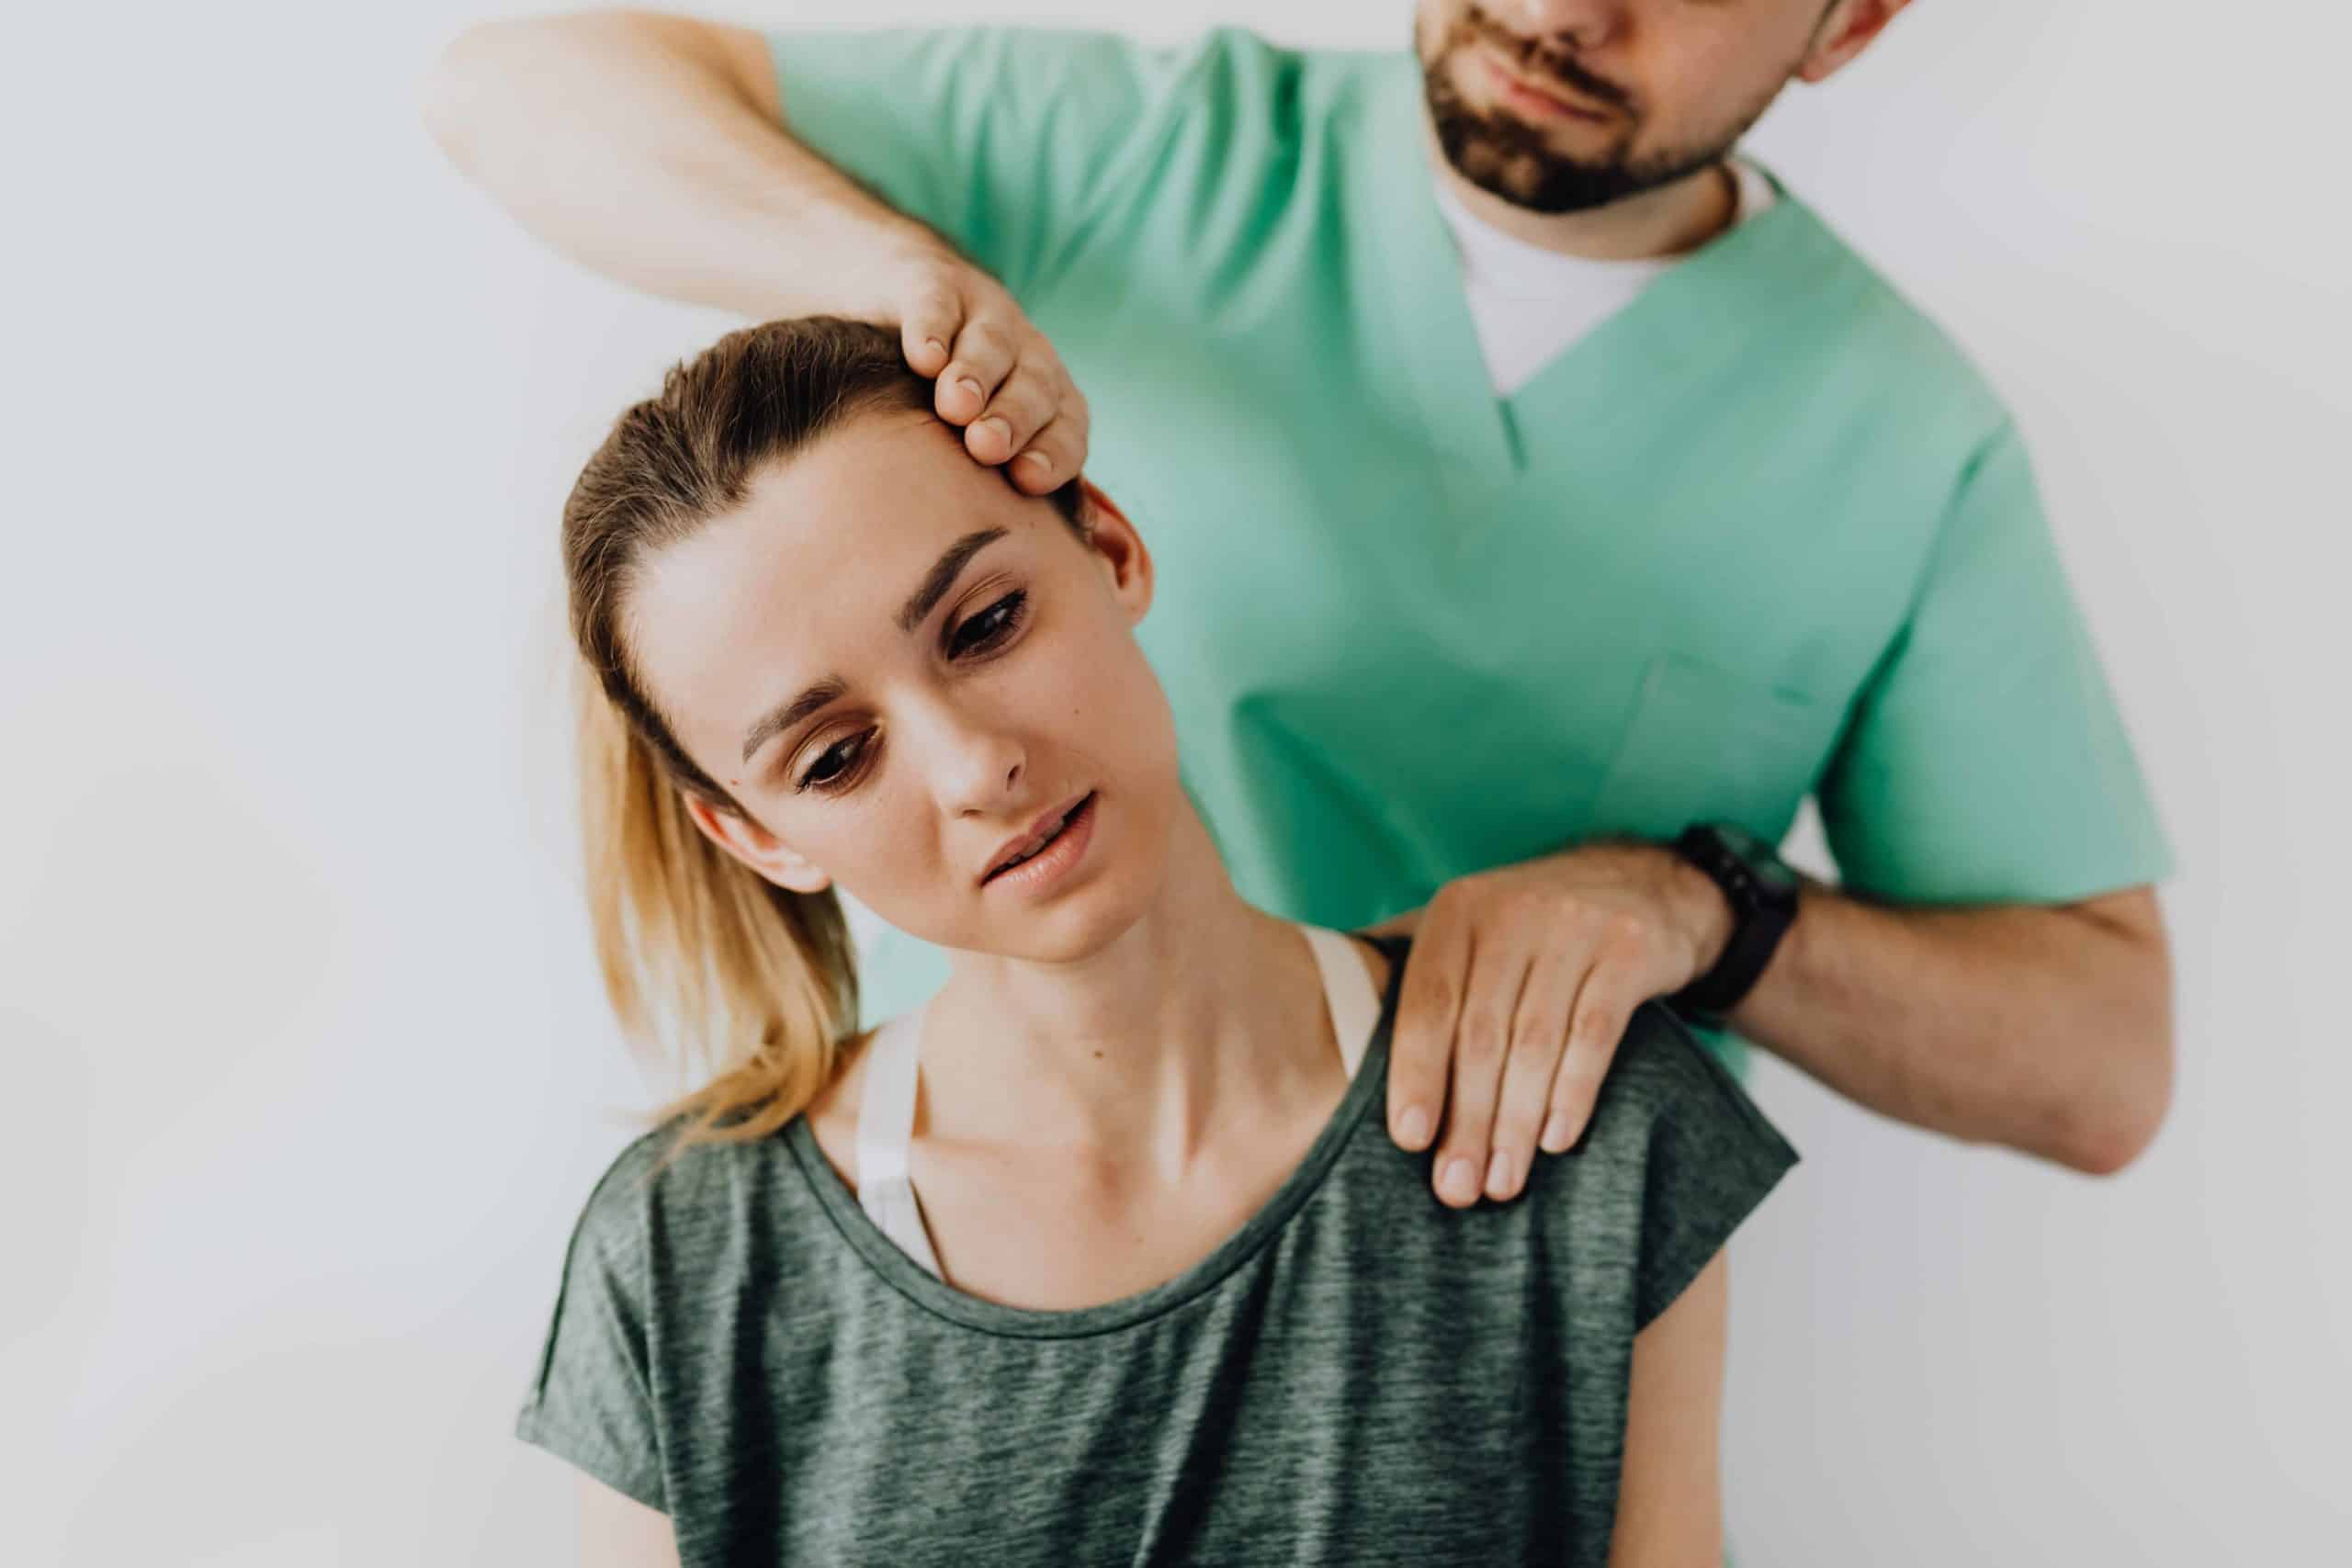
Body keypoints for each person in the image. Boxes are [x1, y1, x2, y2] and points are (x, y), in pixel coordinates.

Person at [425, 1, 2177, 1205]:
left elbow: (2103, 1067)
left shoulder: (1903, 441)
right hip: (994, 1224)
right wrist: (891, 275)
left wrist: (1704, 909)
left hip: (1480, 1306)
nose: (1559, 4)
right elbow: (515, 81)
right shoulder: (1145, 158)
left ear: (1852, 21)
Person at [522, 315, 1795, 1564]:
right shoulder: (685, 1262)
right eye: (838, 758)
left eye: (984, 626)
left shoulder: (1577, 1111)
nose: (976, 767)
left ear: (1111, 548)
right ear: (759, 841)